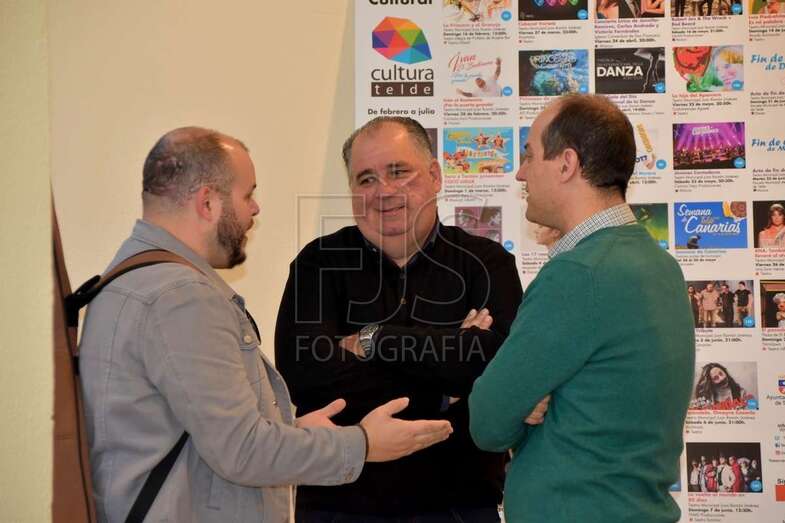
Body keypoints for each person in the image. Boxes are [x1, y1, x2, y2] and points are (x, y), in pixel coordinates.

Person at [78, 127, 454, 523]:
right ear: (208, 203)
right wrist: (362, 445)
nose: (255, 210)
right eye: (248, 195)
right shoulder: (180, 296)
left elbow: (205, 433)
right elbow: (243, 450)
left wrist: (295, 430)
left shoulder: (136, 278)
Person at [275, 116, 542, 521]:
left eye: (399, 172)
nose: (384, 191)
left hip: (459, 507)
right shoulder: (318, 264)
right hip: (340, 506)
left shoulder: (487, 264)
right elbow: (305, 375)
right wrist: (447, 388)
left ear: (435, 176)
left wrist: (374, 340)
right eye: (366, 179)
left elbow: (499, 369)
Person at [468, 94, 695, 522]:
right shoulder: (658, 264)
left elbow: (489, 421)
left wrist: (525, 403)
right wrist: (529, 400)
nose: (520, 172)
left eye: (529, 155)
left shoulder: (580, 274)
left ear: (566, 164)